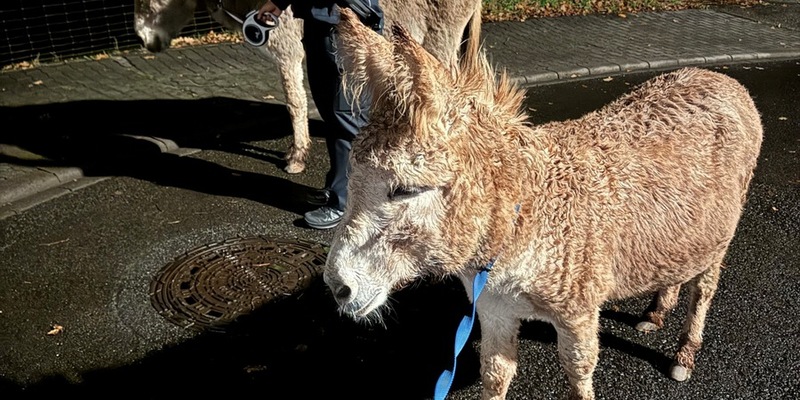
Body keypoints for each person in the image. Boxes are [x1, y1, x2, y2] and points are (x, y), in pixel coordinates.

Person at [257, 0, 384, 229]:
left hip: (346, 23)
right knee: (333, 115)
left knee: (348, 116)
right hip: (318, 22)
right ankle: (339, 189)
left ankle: (353, 203)